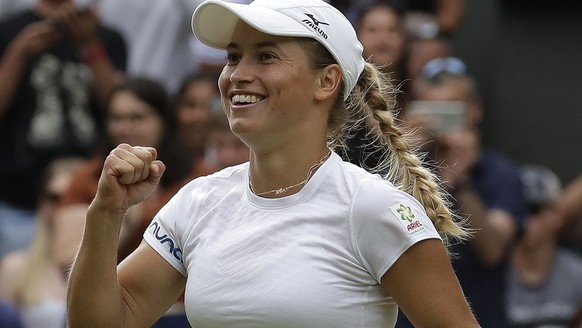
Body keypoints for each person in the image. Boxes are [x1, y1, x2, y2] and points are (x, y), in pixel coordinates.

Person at [66, 1, 479, 327]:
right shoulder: (198, 202)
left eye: (265, 57)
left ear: (326, 81)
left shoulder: (373, 208)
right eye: (232, 56)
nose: (236, 75)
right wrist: (106, 214)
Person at [399, 57, 527, 327]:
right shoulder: (402, 172)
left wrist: (461, 183)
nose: (442, 123)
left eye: (451, 111)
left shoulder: (502, 174)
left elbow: (492, 250)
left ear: (475, 109)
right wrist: (400, 148)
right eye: (433, 111)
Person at [0, 0, 126, 258]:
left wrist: (90, 45)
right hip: (18, 195)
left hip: (88, 193)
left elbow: (118, 104)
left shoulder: (107, 36)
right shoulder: (8, 30)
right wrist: (19, 52)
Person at [0, 157, 83, 328]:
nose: (62, 206)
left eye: (74, 197)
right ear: (42, 203)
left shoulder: (117, 269)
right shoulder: (15, 268)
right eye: (55, 198)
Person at [506, 165, 582, 327]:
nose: (523, 219)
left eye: (533, 210)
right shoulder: (490, 275)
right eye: (517, 210)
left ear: (558, 215)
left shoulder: (577, 274)